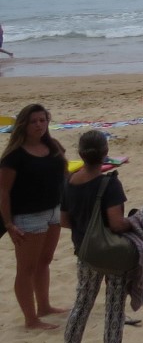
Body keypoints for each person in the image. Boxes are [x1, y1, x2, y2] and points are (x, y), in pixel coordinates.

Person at [59, 130, 138, 343]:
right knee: (114, 303)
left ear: (81, 154)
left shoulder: (70, 182)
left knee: (82, 301)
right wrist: (135, 222)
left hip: (85, 249)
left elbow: (64, 221)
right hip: (111, 252)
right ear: (106, 153)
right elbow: (116, 223)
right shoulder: (109, 183)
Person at [0, 104, 68, 329]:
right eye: (33, 121)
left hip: (53, 211)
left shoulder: (53, 146)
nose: (39, 125)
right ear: (24, 125)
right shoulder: (14, 156)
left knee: (44, 261)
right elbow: (3, 192)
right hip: (27, 217)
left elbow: (64, 176)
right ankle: (31, 319)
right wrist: (8, 223)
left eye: (42, 120)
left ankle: (44, 306)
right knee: (26, 268)